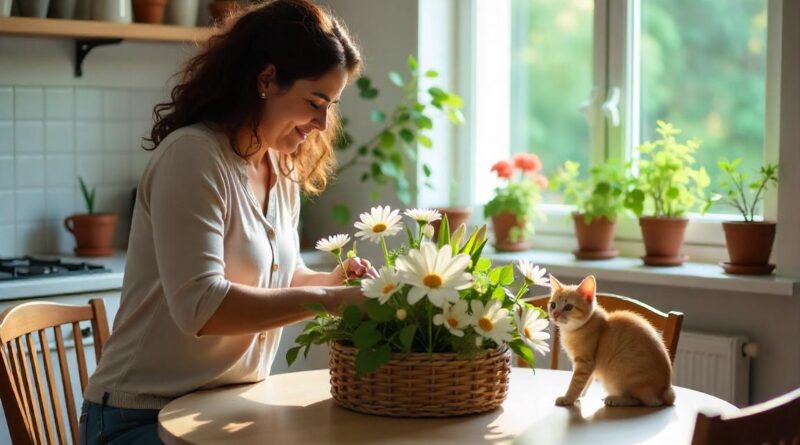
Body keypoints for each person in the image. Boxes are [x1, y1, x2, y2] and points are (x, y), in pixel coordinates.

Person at [79, 1, 372, 443]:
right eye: (315, 102)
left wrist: (332, 282)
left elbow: (278, 276)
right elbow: (201, 305)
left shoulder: (280, 166)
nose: (322, 122)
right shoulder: (193, 156)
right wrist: (329, 303)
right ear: (266, 80)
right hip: (138, 417)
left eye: (330, 105)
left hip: (220, 408)